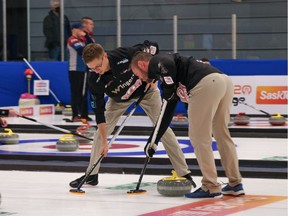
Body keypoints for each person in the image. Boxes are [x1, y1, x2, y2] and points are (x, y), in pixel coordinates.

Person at [69, 42, 196, 188]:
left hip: (146, 92)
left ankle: (183, 172)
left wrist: (153, 77)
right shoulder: (94, 79)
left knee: (163, 129)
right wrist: (104, 141)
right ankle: (91, 175)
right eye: (91, 68)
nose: (97, 71)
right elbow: (99, 113)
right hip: (118, 100)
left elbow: (153, 47)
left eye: (98, 66)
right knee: (100, 134)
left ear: (105, 56)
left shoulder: (123, 55)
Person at [130, 52, 244, 198]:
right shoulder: (169, 77)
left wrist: (169, 85)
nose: (140, 78)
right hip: (223, 81)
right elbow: (166, 112)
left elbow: (165, 62)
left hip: (205, 84)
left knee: (199, 138)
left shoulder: (158, 62)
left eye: (137, 74)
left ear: (142, 64)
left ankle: (210, 186)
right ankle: (235, 183)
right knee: (221, 134)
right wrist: (153, 140)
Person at [67, 23, 92, 122]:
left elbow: (92, 46)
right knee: (76, 92)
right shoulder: (72, 39)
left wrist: (86, 36)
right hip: (75, 70)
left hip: (84, 70)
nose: (82, 31)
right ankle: (75, 114)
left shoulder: (83, 40)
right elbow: (81, 51)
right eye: (80, 29)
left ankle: (84, 114)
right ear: (74, 30)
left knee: (84, 93)